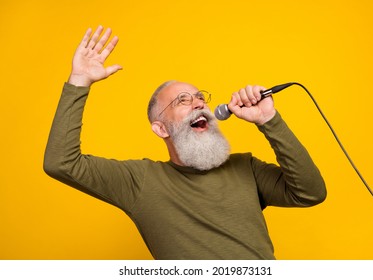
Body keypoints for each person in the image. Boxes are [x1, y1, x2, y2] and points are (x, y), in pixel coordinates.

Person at [44, 26, 326, 260]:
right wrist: (79, 82)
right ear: (161, 128)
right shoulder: (140, 181)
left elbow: (310, 193)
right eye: (183, 100)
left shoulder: (245, 168)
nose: (198, 104)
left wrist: (269, 120)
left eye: (200, 97)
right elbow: (62, 163)